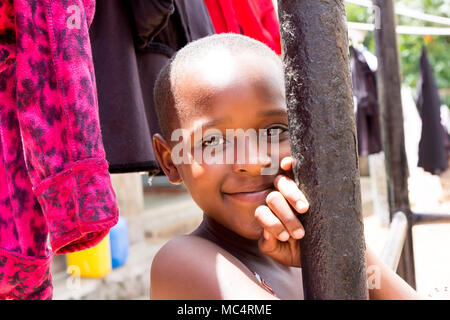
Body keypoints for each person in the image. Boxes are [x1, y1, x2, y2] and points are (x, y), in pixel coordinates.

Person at [149, 33, 421, 300]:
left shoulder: (308, 246)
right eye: (213, 140)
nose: (254, 163)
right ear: (170, 161)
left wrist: (340, 248)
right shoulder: (182, 263)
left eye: (275, 131)